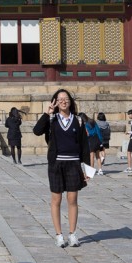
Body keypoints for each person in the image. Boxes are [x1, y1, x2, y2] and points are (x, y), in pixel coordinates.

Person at [33, 89, 91, 248]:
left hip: (73, 163)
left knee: (72, 199)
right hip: (56, 164)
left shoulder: (78, 120)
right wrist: (46, 114)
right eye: (60, 99)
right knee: (56, 199)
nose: (63, 101)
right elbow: (36, 131)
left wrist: (88, 170)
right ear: (55, 102)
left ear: (70, 101)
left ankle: (72, 234)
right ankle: (59, 235)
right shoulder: (52, 119)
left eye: (66, 99)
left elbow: (85, 147)